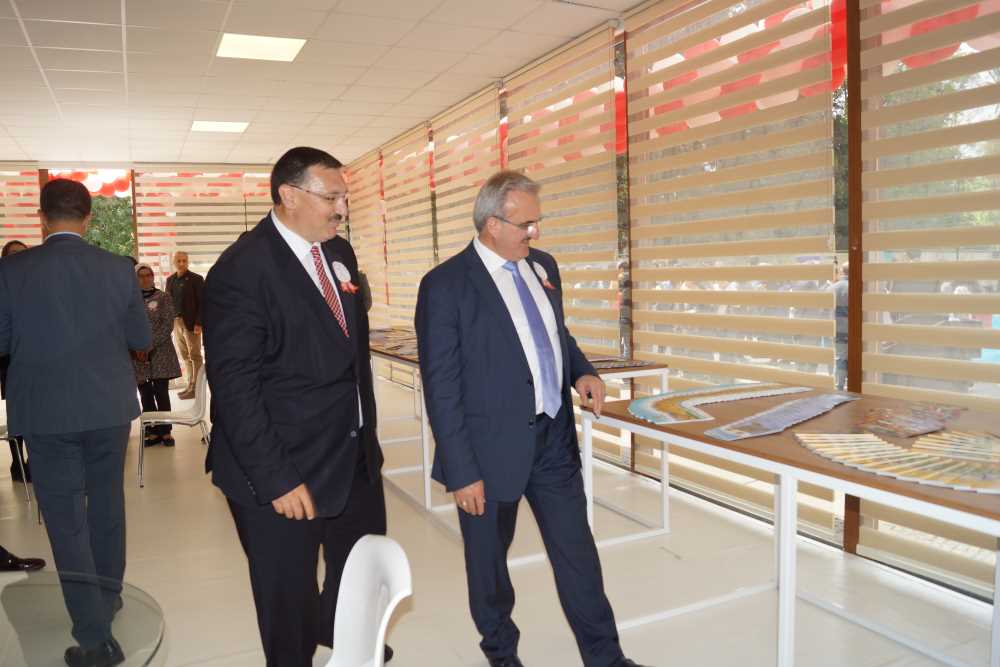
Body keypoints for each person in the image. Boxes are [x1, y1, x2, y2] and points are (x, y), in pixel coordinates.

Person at [414, 171, 650, 667]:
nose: (535, 232)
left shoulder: (543, 266)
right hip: (486, 451)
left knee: (578, 555)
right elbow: (442, 385)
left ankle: (607, 658)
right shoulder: (445, 285)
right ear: (492, 224)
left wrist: (582, 371)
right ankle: (502, 655)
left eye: (537, 222)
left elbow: (555, 333)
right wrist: (462, 470)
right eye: (526, 224)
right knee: (489, 568)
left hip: (552, 440)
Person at [203, 146, 387, 667]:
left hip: (351, 457)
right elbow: (235, 388)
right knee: (288, 602)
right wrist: (277, 478)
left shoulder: (339, 253)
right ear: (288, 195)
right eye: (332, 198)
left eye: (345, 197)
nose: (342, 209)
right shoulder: (241, 270)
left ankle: (341, 633)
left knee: (359, 573)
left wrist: (367, 445)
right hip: (282, 468)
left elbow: (349, 354)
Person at [0, 178, 151, 667]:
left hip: (46, 412)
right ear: (88, 217)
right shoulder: (118, 268)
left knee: (67, 522)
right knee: (107, 506)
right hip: (108, 408)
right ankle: (107, 598)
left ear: (42, 219)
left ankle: (94, 637)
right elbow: (140, 337)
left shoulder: (12, 270)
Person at [132, 264, 182, 447]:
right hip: (138, 354)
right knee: (145, 393)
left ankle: (166, 432)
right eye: (141, 276)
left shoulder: (163, 297)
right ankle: (152, 431)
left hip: (161, 352)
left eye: (148, 275)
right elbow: (127, 324)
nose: (145, 279)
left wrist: (149, 345)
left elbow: (167, 324)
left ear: (153, 277)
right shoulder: (130, 299)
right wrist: (137, 346)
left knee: (161, 392)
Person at [1, 240, 30, 483]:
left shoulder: (35, 282)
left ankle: (34, 461)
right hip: (7, 358)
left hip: (34, 357)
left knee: (34, 410)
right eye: (13, 254)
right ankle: (17, 462)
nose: (19, 258)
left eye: (23, 254)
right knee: (16, 412)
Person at [166, 251, 204, 400]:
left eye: (184, 260)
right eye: (179, 261)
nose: (182, 263)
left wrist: (199, 323)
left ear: (187, 262)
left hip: (192, 323)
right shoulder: (170, 280)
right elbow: (167, 302)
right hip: (176, 322)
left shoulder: (196, 279)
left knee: (195, 355)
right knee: (184, 355)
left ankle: (197, 387)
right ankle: (190, 385)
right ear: (174, 262)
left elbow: (203, 302)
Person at [830, 261, 849, 390]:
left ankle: (839, 386)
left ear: (842, 271)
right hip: (853, 330)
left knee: (840, 358)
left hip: (836, 329)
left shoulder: (831, 288)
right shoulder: (858, 287)